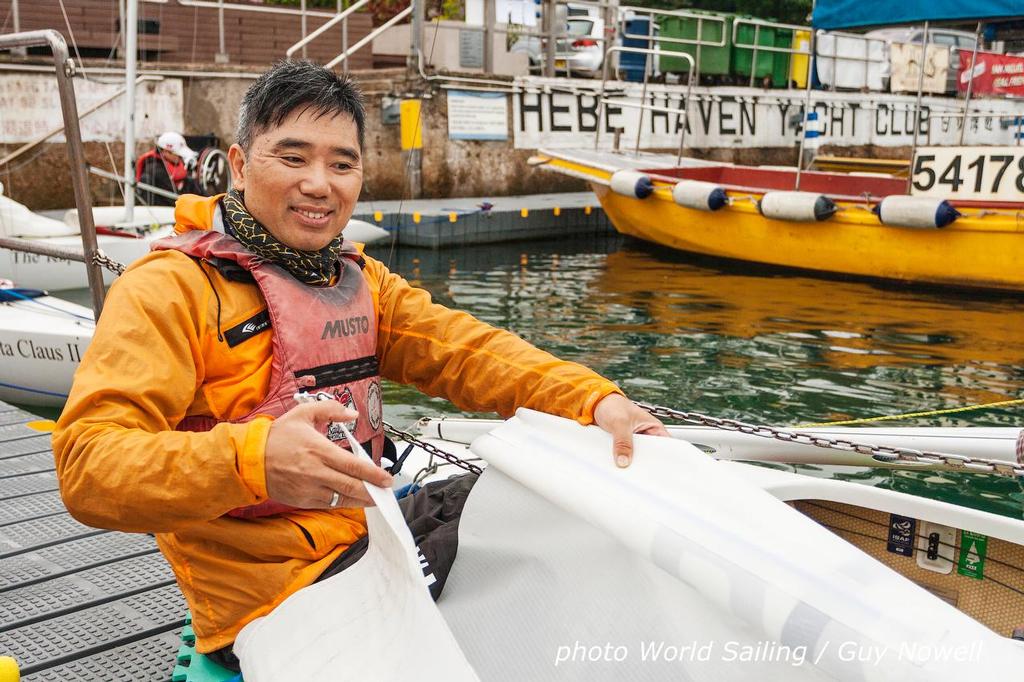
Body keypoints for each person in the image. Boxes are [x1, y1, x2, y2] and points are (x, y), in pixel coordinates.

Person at [52, 61, 668, 670]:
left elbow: (468, 350)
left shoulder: (358, 279)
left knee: (565, 501)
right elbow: (87, 466)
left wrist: (595, 400)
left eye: (341, 163)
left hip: (375, 532)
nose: (320, 183)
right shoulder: (167, 291)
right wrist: (254, 459)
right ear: (239, 166)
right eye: (292, 158)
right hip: (278, 594)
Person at [134, 131, 201, 206]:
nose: (180, 157)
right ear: (165, 152)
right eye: (177, 154)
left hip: (175, 205)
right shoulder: (154, 168)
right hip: (161, 211)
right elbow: (173, 197)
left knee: (191, 182)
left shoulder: (175, 164)